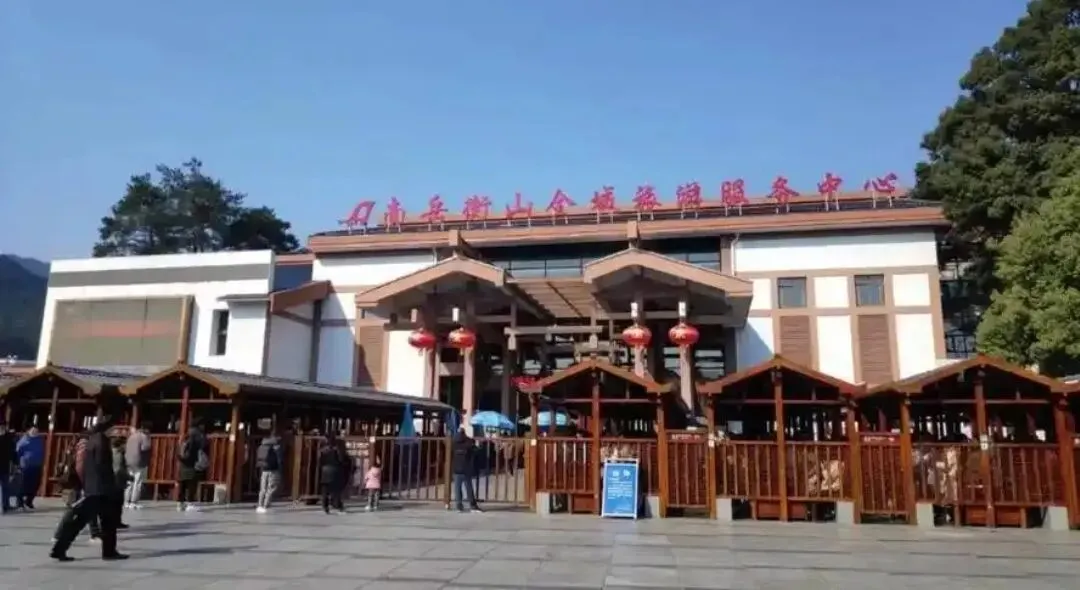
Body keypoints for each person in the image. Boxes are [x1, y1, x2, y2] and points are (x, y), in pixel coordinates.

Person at [50, 415, 128, 562]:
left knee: (86, 521)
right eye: (114, 429)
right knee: (103, 522)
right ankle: (108, 552)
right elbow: (102, 466)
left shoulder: (92, 440)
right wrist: (110, 485)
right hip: (102, 489)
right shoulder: (101, 442)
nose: (115, 432)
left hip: (93, 487)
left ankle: (59, 549)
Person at [176, 418, 209, 512]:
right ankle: (190, 503)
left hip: (183, 461)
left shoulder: (186, 434)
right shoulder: (198, 435)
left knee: (183, 483)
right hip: (193, 461)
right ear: (200, 425)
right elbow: (203, 445)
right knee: (192, 483)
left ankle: (180, 503)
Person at [451, 425, 482, 513]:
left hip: (456, 468)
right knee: (468, 487)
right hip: (466, 468)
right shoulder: (469, 442)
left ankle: (459, 506)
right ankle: (472, 505)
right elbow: (476, 450)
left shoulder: (453, 442)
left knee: (457, 488)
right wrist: (478, 445)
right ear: (464, 433)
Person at [255, 429, 285, 514]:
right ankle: (266, 505)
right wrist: (280, 469)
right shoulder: (276, 446)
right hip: (274, 469)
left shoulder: (262, 444)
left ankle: (260, 505)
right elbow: (279, 459)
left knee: (263, 488)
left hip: (264, 469)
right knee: (272, 487)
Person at [317, 432, 347, 514]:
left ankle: (325, 506)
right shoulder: (336, 449)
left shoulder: (322, 450)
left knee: (325, 491)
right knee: (336, 490)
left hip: (325, 471)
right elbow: (341, 459)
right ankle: (337, 505)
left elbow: (320, 461)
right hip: (335, 470)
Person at [15, 425, 44, 510]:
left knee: (35, 484)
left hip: (37, 465)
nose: (35, 432)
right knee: (23, 485)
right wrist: (18, 463)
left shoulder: (39, 440)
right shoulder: (24, 440)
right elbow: (17, 452)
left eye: (36, 431)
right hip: (26, 466)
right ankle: (19, 503)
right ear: (28, 431)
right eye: (33, 430)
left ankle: (29, 501)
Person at [124, 422, 151, 509]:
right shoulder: (143, 436)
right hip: (138, 462)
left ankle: (126, 501)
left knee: (129, 482)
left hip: (128, 461)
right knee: (137, 482)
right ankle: (134, 502)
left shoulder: (131, 436)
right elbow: (145, 447)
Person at [110, 436, 131, 529]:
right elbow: (119, 469)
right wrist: (128, 477)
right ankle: (116, 521)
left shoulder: (111, 452)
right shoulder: (118, 454)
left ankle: (115, 521)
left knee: (115, 503)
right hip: (117, 481)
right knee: (117, 503)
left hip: (112, 480)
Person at [0, 421, 15, 514]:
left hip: (5, 466)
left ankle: (5, 506)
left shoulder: (9, 438)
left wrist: (16, 462)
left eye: (3, 427)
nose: (2, 428)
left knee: (5, 487)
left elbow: (13, 452)